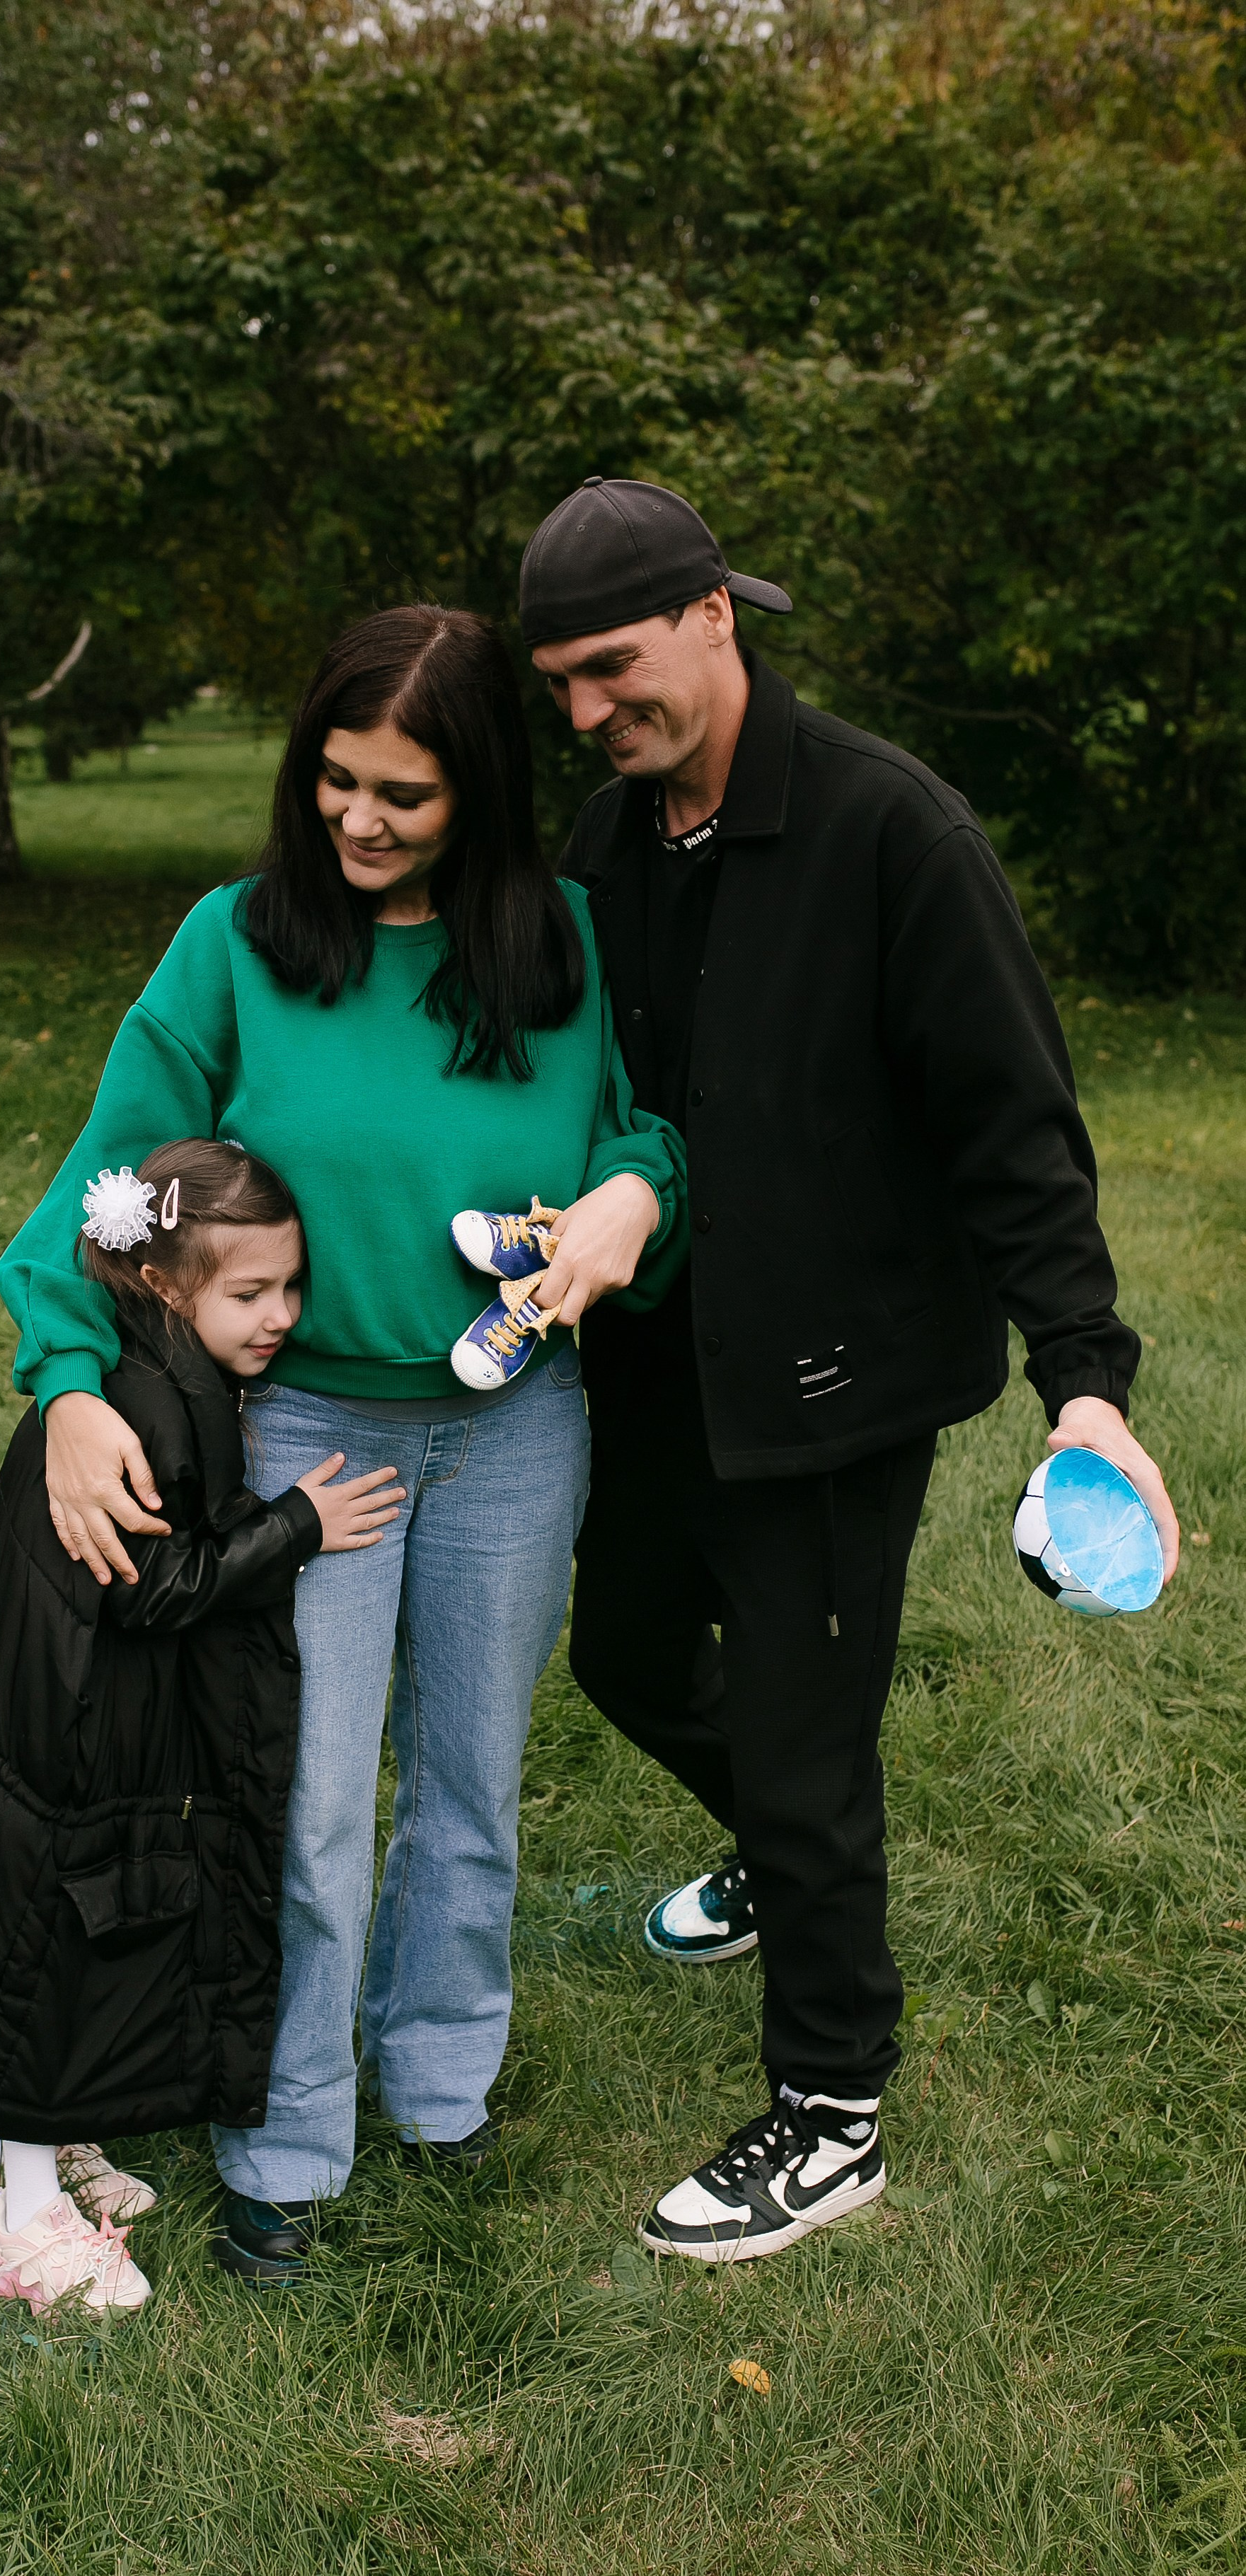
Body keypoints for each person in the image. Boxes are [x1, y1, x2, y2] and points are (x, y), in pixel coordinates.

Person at [518, 477, 1178, 2263]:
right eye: (559, 683)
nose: (587, 713)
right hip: (663, 1368)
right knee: (629, 1653)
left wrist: (1085, 1383)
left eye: (613, 667)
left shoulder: (897, 834)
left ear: (716, 615)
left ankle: (830, 2114)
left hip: (838, 1383)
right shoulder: (607, 842)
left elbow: (1014, 1132)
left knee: (812, 1750)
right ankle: (780, 1855)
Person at [0, 605, 686, 2282]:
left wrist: (629, 1189)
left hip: (514, 1430)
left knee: (471, 1787)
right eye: (335, 780)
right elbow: (105, 1193)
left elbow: (636, 1134)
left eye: (406, 796)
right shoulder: (234, 943)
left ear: (483, 802)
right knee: (303, 1810)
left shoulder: (563, 944)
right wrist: (68, 1383)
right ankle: (284, 2135)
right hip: (307, 1444)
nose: (359, 821)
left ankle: (439, 2087)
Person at [0, 1139, 403, 2315]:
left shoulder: (151, 1363)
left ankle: (28, 2143)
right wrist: (294, 1525)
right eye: (251, 1293)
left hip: (41, 1700)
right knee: (46, 1944)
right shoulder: (148, 1404)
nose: (281, 1314)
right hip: (66, 1733)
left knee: (45, 1932)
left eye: (292, 1286)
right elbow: (148, 1583)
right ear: (170, 1286)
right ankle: (23, 2214)